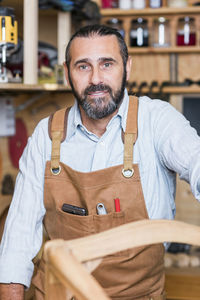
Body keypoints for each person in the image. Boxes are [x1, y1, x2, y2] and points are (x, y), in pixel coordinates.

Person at [0, 24, 200, 300]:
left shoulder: (157, 121)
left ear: (127, 67)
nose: (96, 79)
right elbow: (18, 236)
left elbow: (196, 160)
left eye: (107, 64)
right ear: (67, 71)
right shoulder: (45, 138)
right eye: (83, 66)